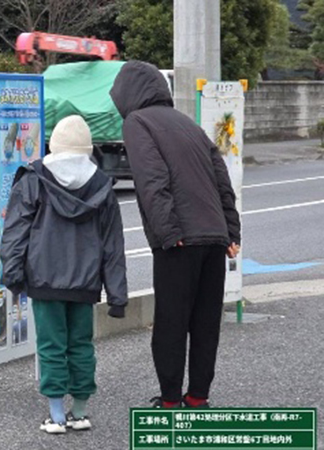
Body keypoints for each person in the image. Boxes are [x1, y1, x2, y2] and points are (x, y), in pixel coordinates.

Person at [109, 61, 241, 409]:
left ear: (127, 94)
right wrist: (231, 231)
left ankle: (170, 400)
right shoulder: (187, 124)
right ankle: (198, 397)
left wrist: (167, 231)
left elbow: (152, 179)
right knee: (205, 323)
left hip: (180, 239)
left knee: (171, 322)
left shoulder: (137, 122)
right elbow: (221, 179)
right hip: (214, 236)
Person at [1, 115, 128, 434]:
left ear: (54, 146)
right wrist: (117, 296)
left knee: (51, 345)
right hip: (86, 282)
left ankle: (56, 415)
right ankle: (80, 412)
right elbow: (113, 244)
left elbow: (16, 233)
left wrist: (13, 276)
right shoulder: (102, 185)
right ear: (88, 149)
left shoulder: (34, 179)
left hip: (43, 278)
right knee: (81, 345)